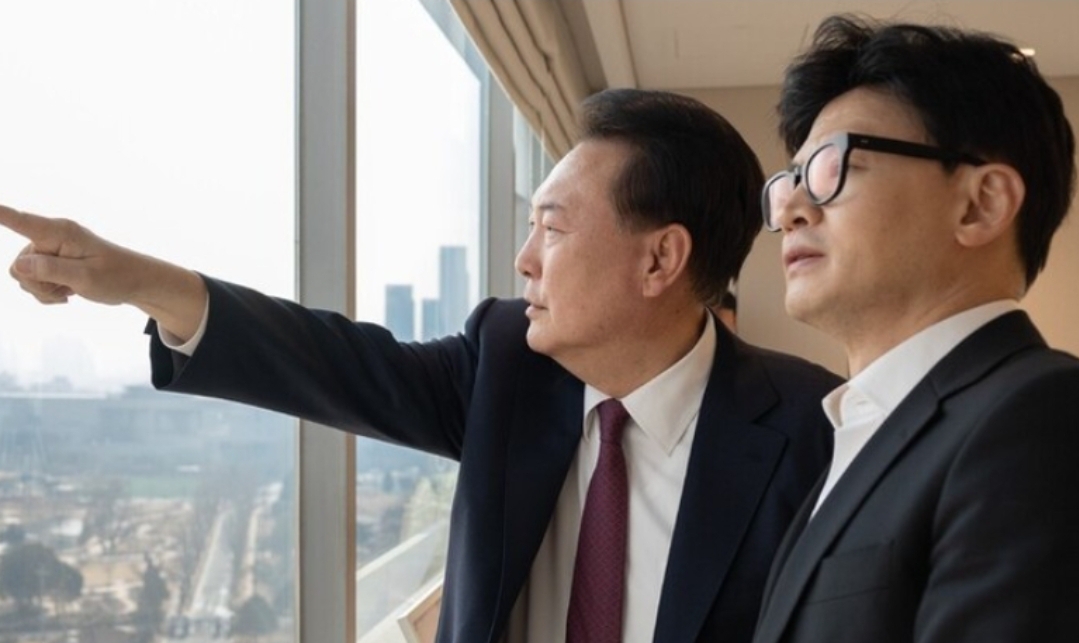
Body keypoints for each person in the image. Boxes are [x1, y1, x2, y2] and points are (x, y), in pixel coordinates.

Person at [2, 88, 840, 643]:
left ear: (659, 260)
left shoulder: (814, 430)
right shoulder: (506, 366)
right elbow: (331, 363)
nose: (523, 259)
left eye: (552, 228)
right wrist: (135, 280)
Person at [752, 14, 1079, 643]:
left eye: (830, 167)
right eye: (791, 179)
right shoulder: (857, 434)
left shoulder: (1042, 414)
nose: (790, 208)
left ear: (980, 204)